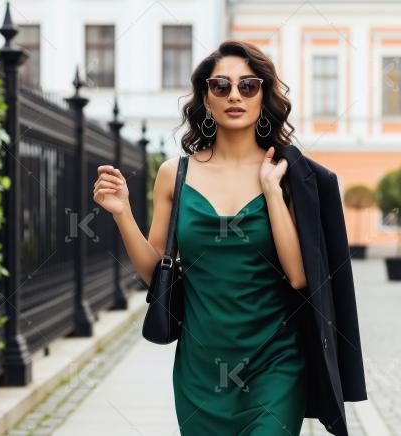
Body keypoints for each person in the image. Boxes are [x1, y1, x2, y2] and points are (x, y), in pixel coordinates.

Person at [93, 40, 346, 435]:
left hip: (275, 363)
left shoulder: (287, 174)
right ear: (206, 98)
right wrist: (123, 213)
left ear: (263, 96)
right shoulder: (173, 174)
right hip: (200, 370)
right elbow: (155, 270)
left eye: (248, 86)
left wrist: (271, 192)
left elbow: (299, 276)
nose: (234, 96)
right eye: (221, 86)